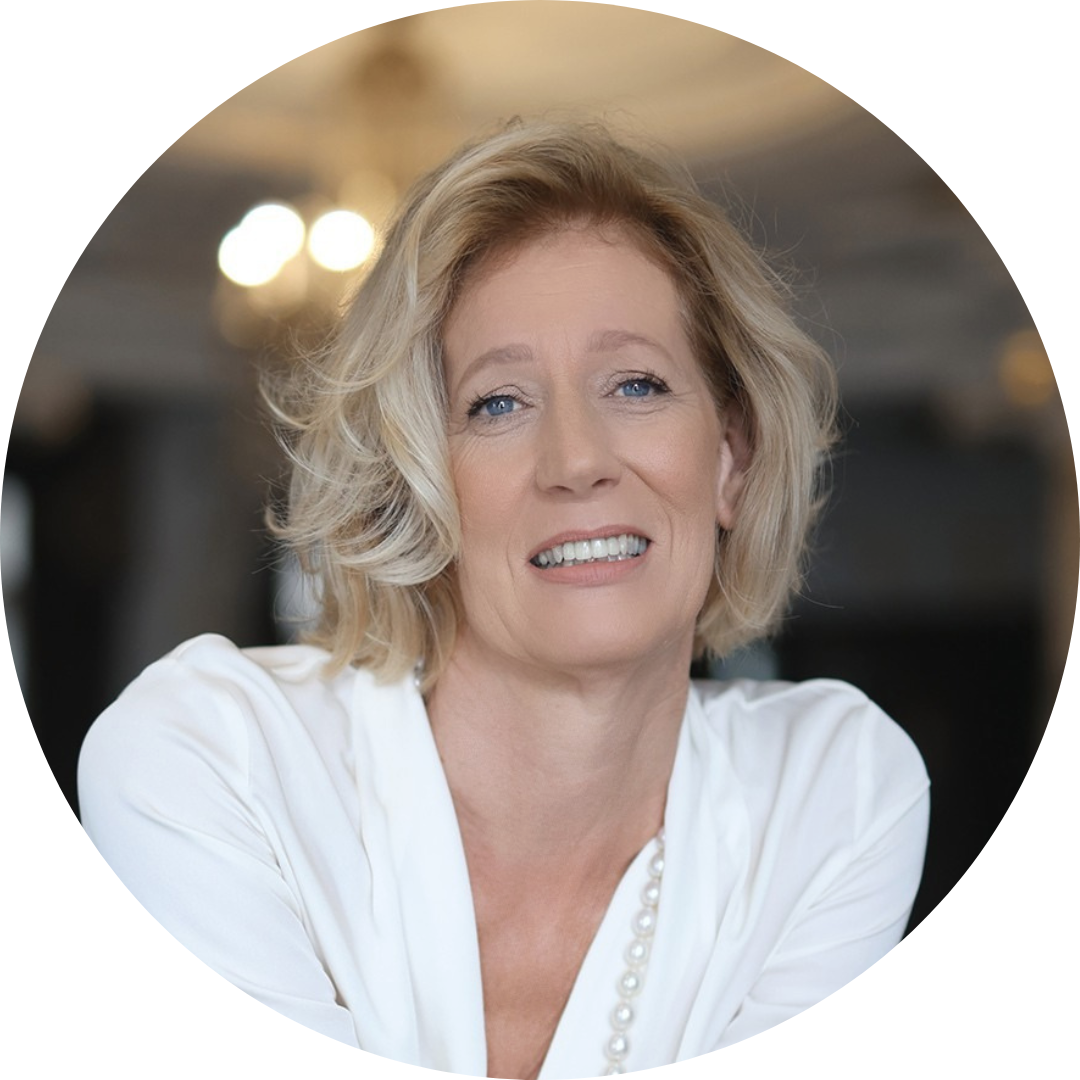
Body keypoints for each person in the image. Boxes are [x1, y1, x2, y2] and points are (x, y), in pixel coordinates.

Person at [78, 119, 929, 1079]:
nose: (577, 460)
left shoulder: (833, 793)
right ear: (417, 483)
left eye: (637, 385)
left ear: (731, 460)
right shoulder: (212, 758)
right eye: (498, 403)